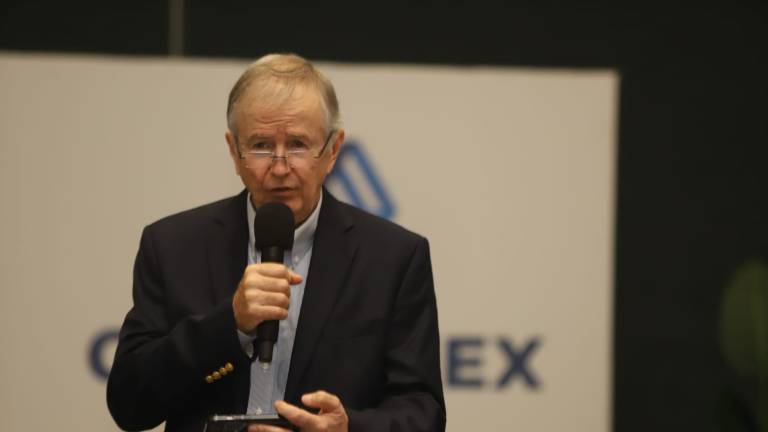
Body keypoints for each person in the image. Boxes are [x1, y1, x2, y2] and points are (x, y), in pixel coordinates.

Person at [106, 53, 446, 432]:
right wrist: (228, 324)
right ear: (234, 152)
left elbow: (423, 413)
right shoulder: (172, 246)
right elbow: (129, 403)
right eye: (262, 145)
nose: (281, 167)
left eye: (299, 144)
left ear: (333, 151)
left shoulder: (393, 258)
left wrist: (348, 429)